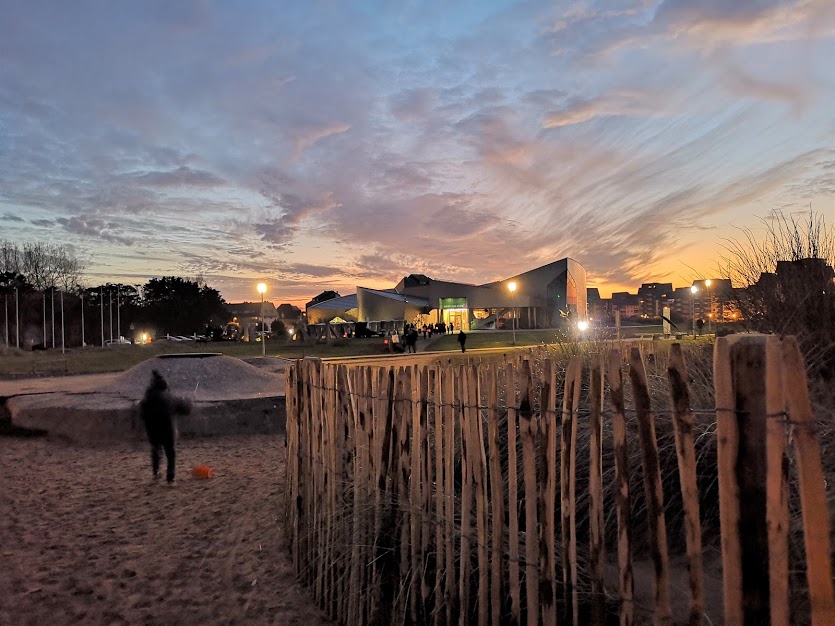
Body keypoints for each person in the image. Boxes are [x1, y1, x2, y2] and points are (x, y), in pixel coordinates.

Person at [139, 370, 191, 484]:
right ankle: (170, 477)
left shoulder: (146, 400)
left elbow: (141, 415)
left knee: (156, 450)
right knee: (170, 453)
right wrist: (188, 402)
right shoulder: (169, 398)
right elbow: (185, 409)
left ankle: (156, 472)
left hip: (152, 431)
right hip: (167, 430)